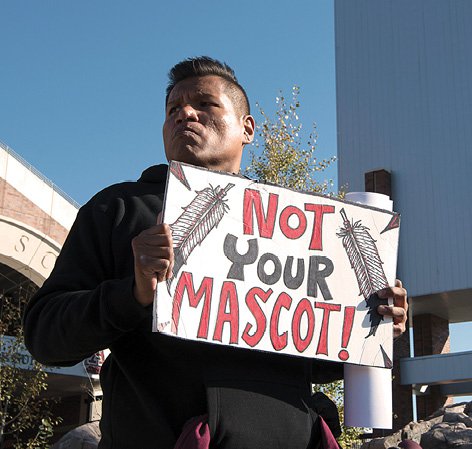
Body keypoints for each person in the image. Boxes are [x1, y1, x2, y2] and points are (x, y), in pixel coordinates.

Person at [24, 56, 408, 449]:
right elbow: (45, 336)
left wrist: (371, 325)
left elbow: (313, 364)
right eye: (173, 108)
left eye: (205, 104)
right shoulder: (116, 211)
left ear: (247, 129)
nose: (185, 113)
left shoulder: (301, 229)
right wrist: (133, 294)